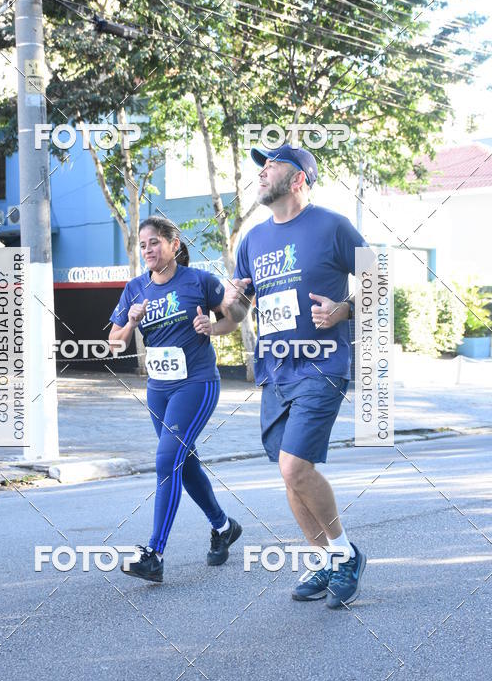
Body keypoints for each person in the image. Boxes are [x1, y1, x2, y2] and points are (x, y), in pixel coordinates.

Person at [221, 144, 369, 608]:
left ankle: (345, 555)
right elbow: (237, 312)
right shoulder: (252, 239)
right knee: (290, 476)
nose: (262, 172)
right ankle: (324, 559)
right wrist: (218, 315)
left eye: (272, 165)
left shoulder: (332, 226)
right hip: (277, 370)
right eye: (261, 166)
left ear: (299, 178)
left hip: (323, 363)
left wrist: (344, 309)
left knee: (294, 466)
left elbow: (377, 283)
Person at [108, 215, 242, 583]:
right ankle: (223, 526)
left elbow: (234, 318)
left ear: (174, 245)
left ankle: (154, 553)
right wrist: (132, 321)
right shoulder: (135, 288)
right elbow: (114, 343)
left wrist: (212, 327)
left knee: (167, 459)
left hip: (197, 383)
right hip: (159, 389)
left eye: (155, 242)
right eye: (144, 244)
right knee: (184, 462)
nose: (148, 250)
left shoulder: (199, 281)